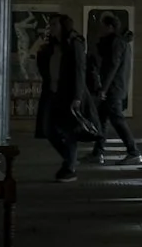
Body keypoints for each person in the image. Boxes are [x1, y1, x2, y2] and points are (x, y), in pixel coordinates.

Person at [34, 13, 100, 182]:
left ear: (63, 26)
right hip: (52, 92)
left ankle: (69, 167)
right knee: (48, 128)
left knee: (69, 130)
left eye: (55, 24)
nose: (51, 27)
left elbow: (80, 71)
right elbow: (44, 68)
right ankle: (70, 157)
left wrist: (77, 97)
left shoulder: (74, 44)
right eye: (51, 24)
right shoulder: (51, 46)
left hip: (68, 93)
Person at [90, 13, 142, 165]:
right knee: (102, 120)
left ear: (110, 27)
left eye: (102, 26)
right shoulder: (117, 42)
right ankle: (97, 152)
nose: (100, 29)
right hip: (114, 87)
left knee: (117, 120)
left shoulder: (116, 43)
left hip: (113, 88)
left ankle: (134, 151)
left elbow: (112, 66)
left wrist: (104, 89)